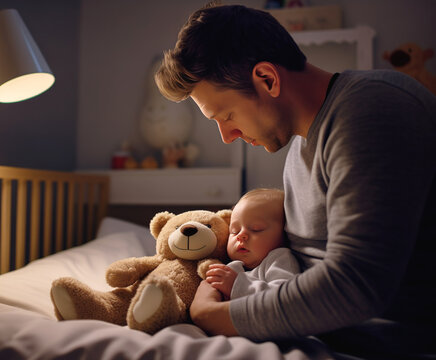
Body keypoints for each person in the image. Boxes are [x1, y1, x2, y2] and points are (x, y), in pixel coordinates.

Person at [155, 3, 436, 359]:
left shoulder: (374, 108)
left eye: (225, 115)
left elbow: (356, 286)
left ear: (268, 79)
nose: (227, 136)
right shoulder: (298, 150)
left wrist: (216, 316)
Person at [206, 188, 299, 302]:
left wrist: (237, 285)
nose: (240, 236)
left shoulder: (280, 259)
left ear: (284, 233)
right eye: (234, 231)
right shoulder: (228, 261)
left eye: (256, 229)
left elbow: (283, 298)